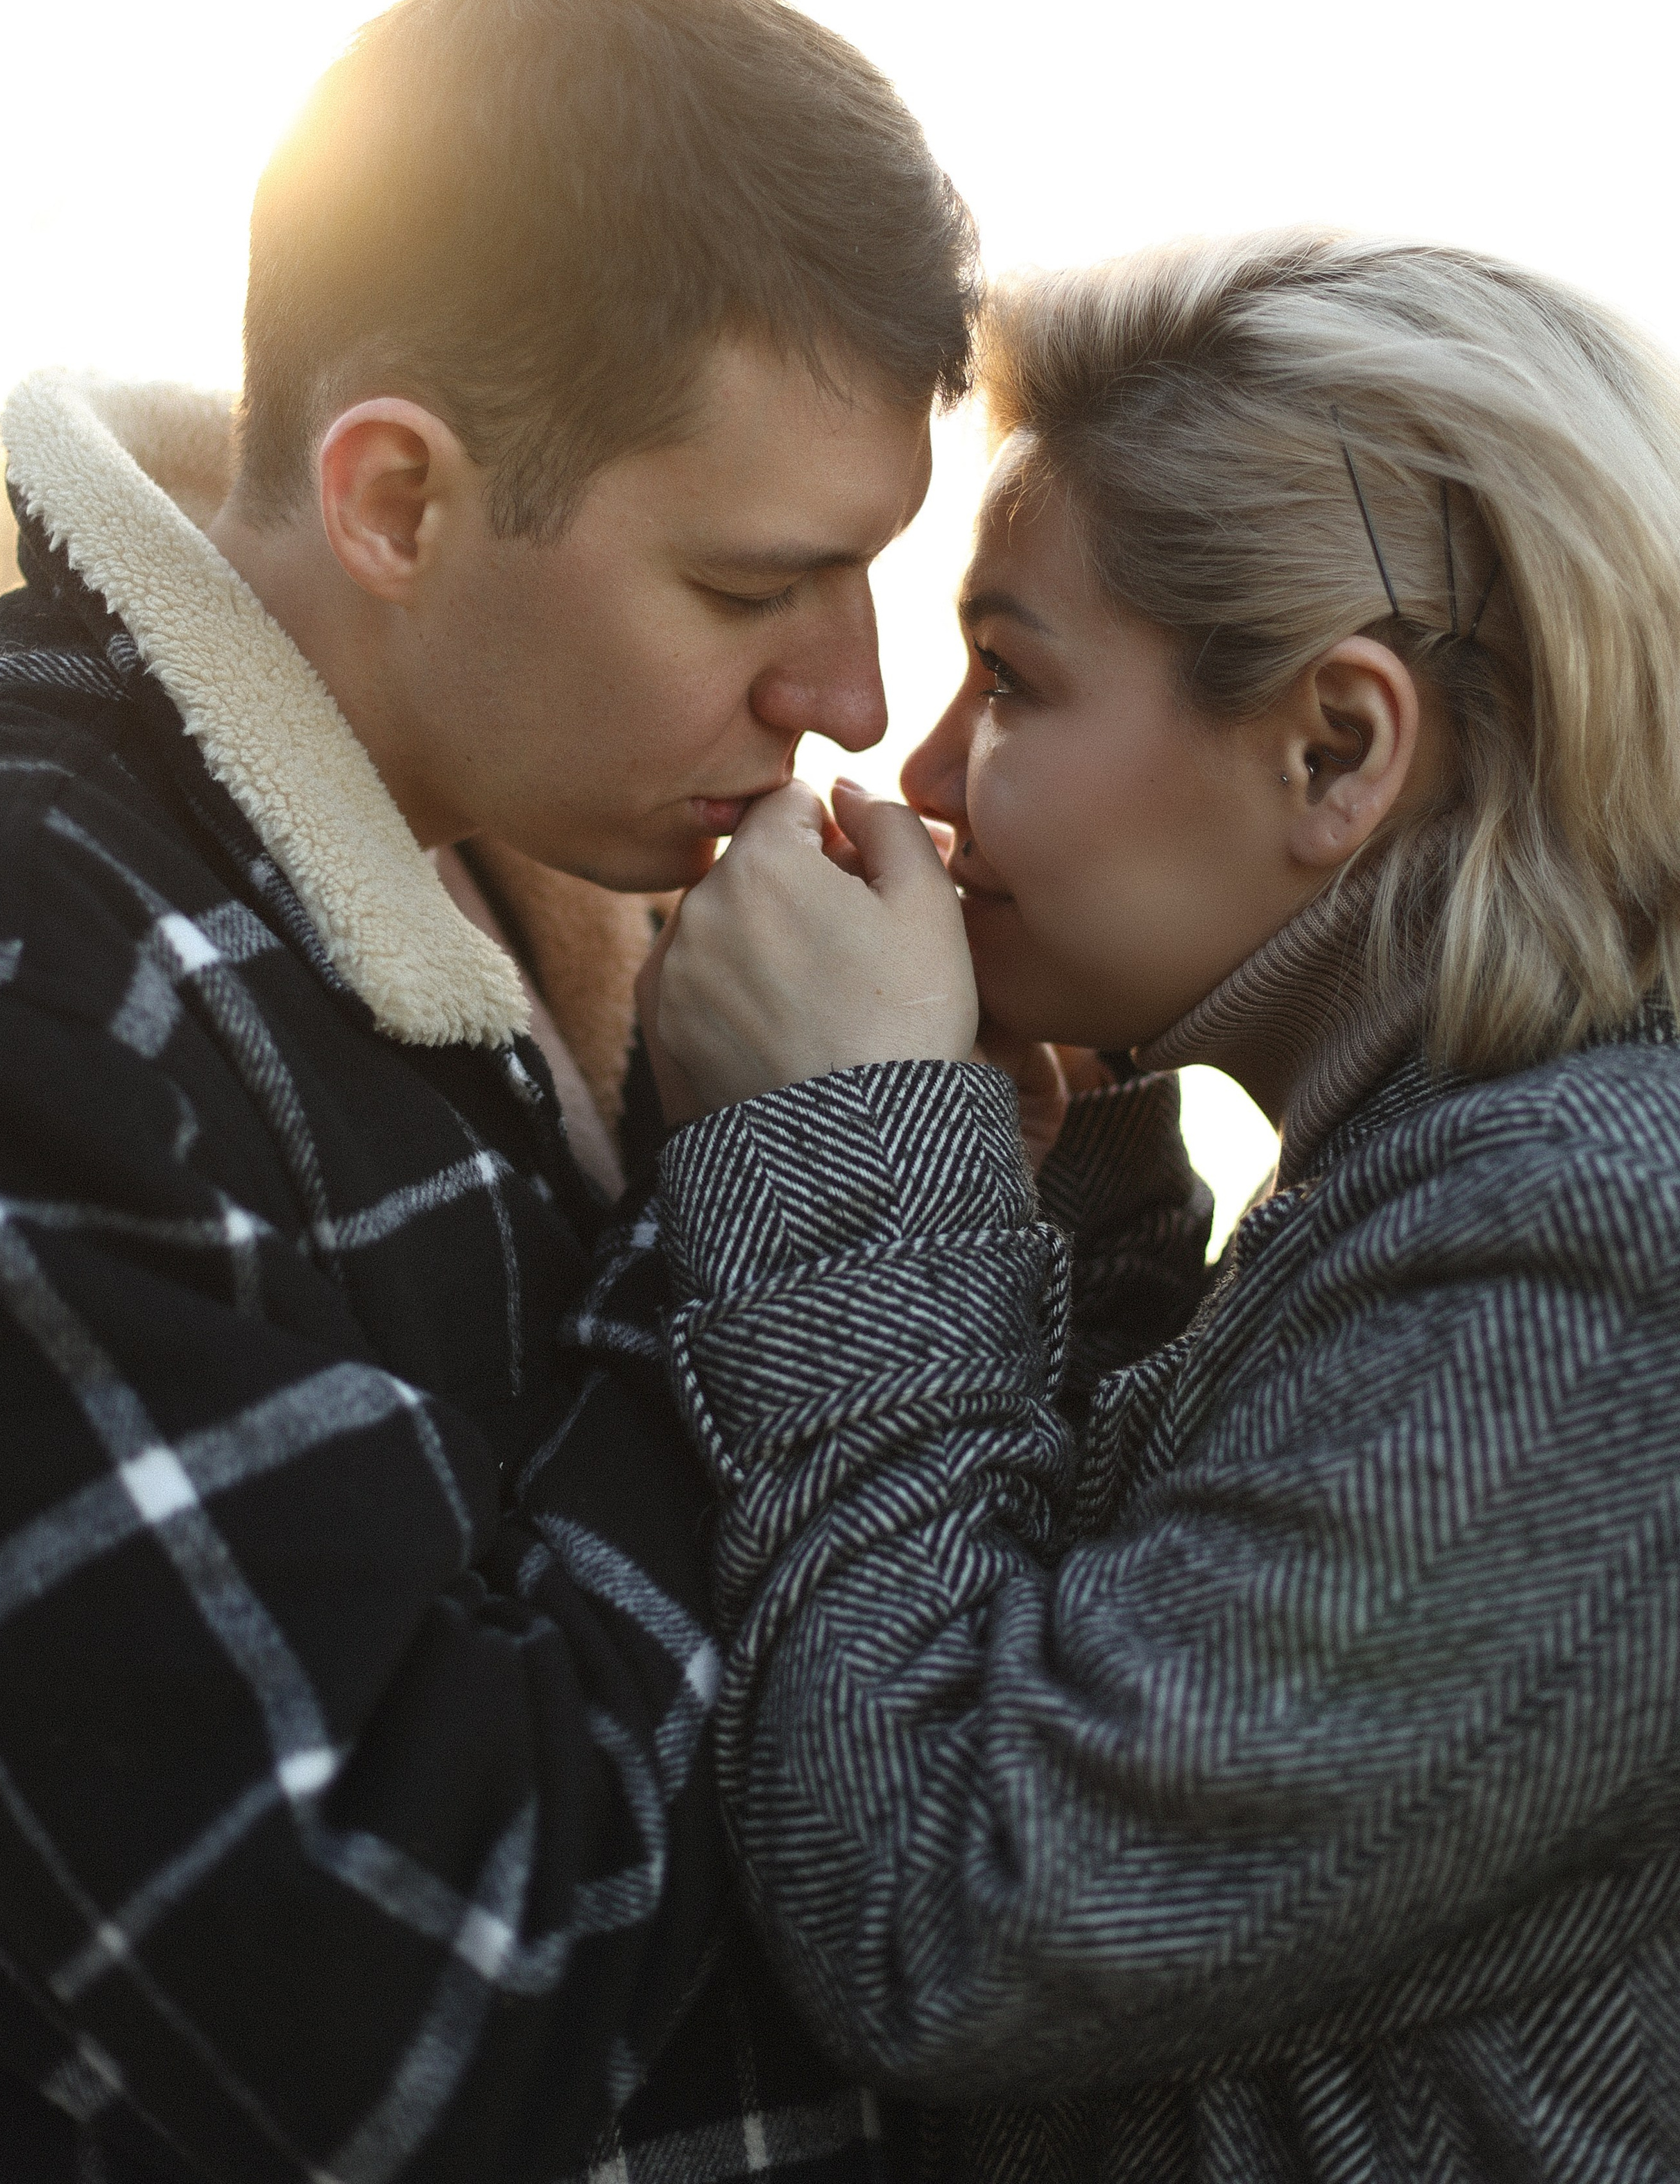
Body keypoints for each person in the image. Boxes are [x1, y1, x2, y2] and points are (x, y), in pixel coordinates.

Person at [0, 0, 975, 2183]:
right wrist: (801, 1187)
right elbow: (415, 2010)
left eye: (876, 569)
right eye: (753, 583)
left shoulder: (601, 852)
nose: (854, 698)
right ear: (397, 499)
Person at [641, 230, 1680, 2181]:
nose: (920, 762)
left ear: (1336, 750)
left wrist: (854, 1148)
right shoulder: (1469, 1173)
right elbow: (1157, 1675)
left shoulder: (1607, 1263)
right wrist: (1063, 1187)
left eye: (1015, 680)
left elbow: (946, 1910)